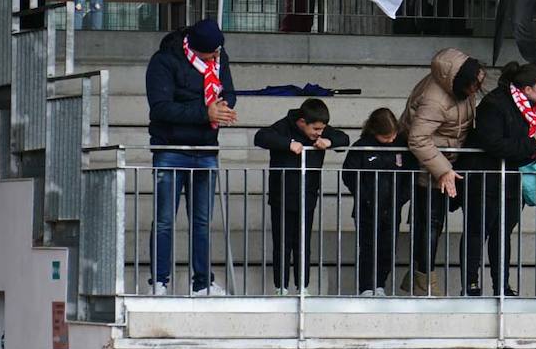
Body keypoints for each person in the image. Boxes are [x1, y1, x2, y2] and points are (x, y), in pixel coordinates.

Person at [145, 18, 237, 296]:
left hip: (206, 150)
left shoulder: (220, 59)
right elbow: (161, 108)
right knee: (164, 220)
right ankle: (159, 281)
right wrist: (205, 112)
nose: (216, 58)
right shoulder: (163, 61)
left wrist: (222, 108)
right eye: (211, 54)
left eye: (218, 52)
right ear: (195, 50)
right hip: (170, 150)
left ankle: (202, 282)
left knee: (201, 221)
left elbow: (229, 92)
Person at [462, 63, 536, 296]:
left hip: (514, 179)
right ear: (527, 89)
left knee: (503, 232)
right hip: (486, 178)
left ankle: (502, 285)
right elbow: (494, 144)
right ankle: (471, 283)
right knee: (478, 231)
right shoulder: (494, 104)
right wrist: (535, 144)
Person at [400, 48, 485, 295]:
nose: (477, 89)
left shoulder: (460, 89)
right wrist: (443, 170)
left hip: (451, 159)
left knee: (434, 222)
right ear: (461, 82)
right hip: (431, 165)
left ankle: (419, 278)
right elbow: (417, 138)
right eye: (475, 85)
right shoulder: (435, 99)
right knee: (431, 222)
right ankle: (424, 281)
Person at [254, 98, 350, 295]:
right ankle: (281, 286)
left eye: (322, 129)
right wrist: (288, 144)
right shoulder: (283, 126)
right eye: (315, 129)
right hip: (282, 195)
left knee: (303, 243)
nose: (318, 133)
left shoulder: (321, 131)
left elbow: (344, 139)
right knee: (282, 242)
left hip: (307, 196)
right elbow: (260, 137)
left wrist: (328, 141)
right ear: (301, 122)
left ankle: (302, 286)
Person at [341, 108, 414, 297]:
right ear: (374, 131)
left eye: (393, 135)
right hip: (366, 209)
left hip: (392, 209)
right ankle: (366, 287)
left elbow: (410, 177)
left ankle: (380, 284)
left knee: (387, 249)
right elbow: (349, 175)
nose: (390, 140)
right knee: (367, 248)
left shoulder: (402, 146)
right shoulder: (362, 146)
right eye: (385, 136)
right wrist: (365, 197)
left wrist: (399, 199)